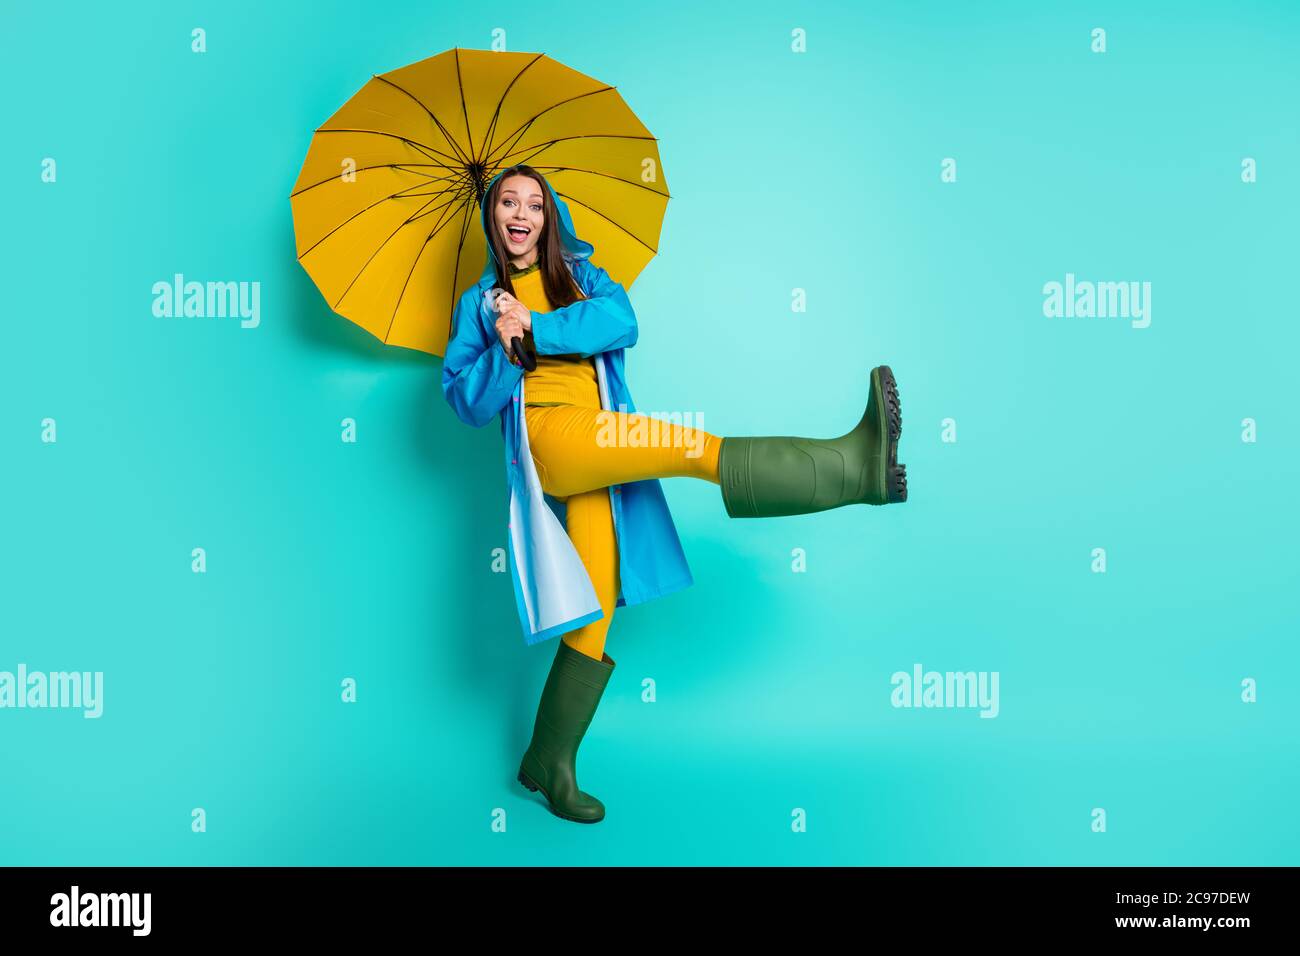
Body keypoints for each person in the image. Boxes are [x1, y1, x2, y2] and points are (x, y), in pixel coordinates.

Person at [442, 165, 907, 824]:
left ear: (549, 219)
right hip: (549, 438)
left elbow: (620, 322)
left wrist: (538, 328)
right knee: (693, 448)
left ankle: (549, 761)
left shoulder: (580, 280)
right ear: (492, 217)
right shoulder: (478, 303)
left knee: (597, 609)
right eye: (508, 203)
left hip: (594, 433)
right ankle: (854, 469)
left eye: (535, 205)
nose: (521, 214)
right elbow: (462, 399)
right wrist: (504, 345)